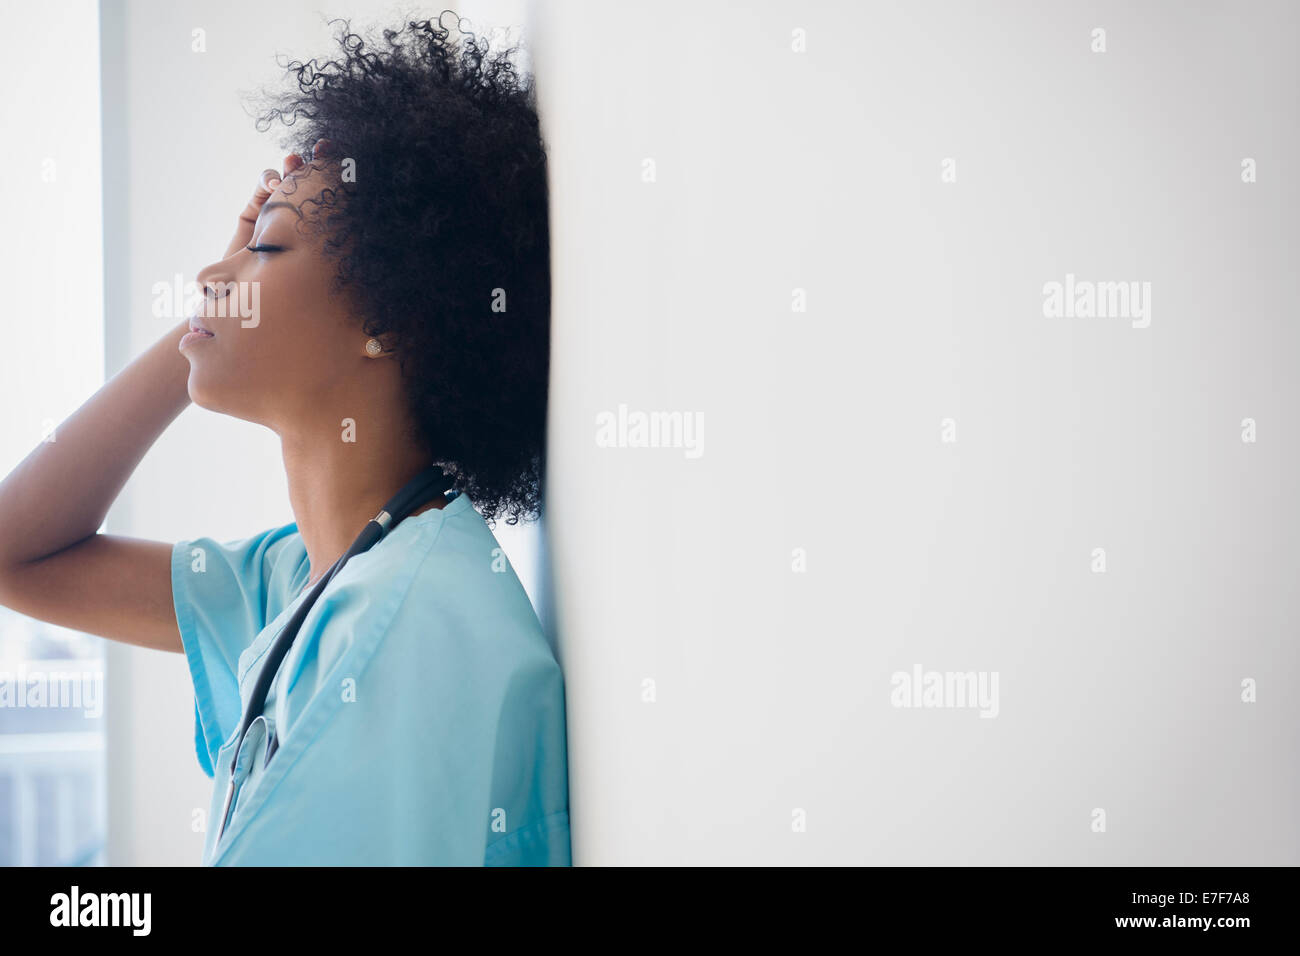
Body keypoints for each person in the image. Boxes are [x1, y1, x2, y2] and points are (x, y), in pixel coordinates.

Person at [0, 12, 570, 866]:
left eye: (266, 246)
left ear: (389, 320)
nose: (212, 274)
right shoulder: (305, 580)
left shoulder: (405, 632)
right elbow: (16, 552)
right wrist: (212, 311)